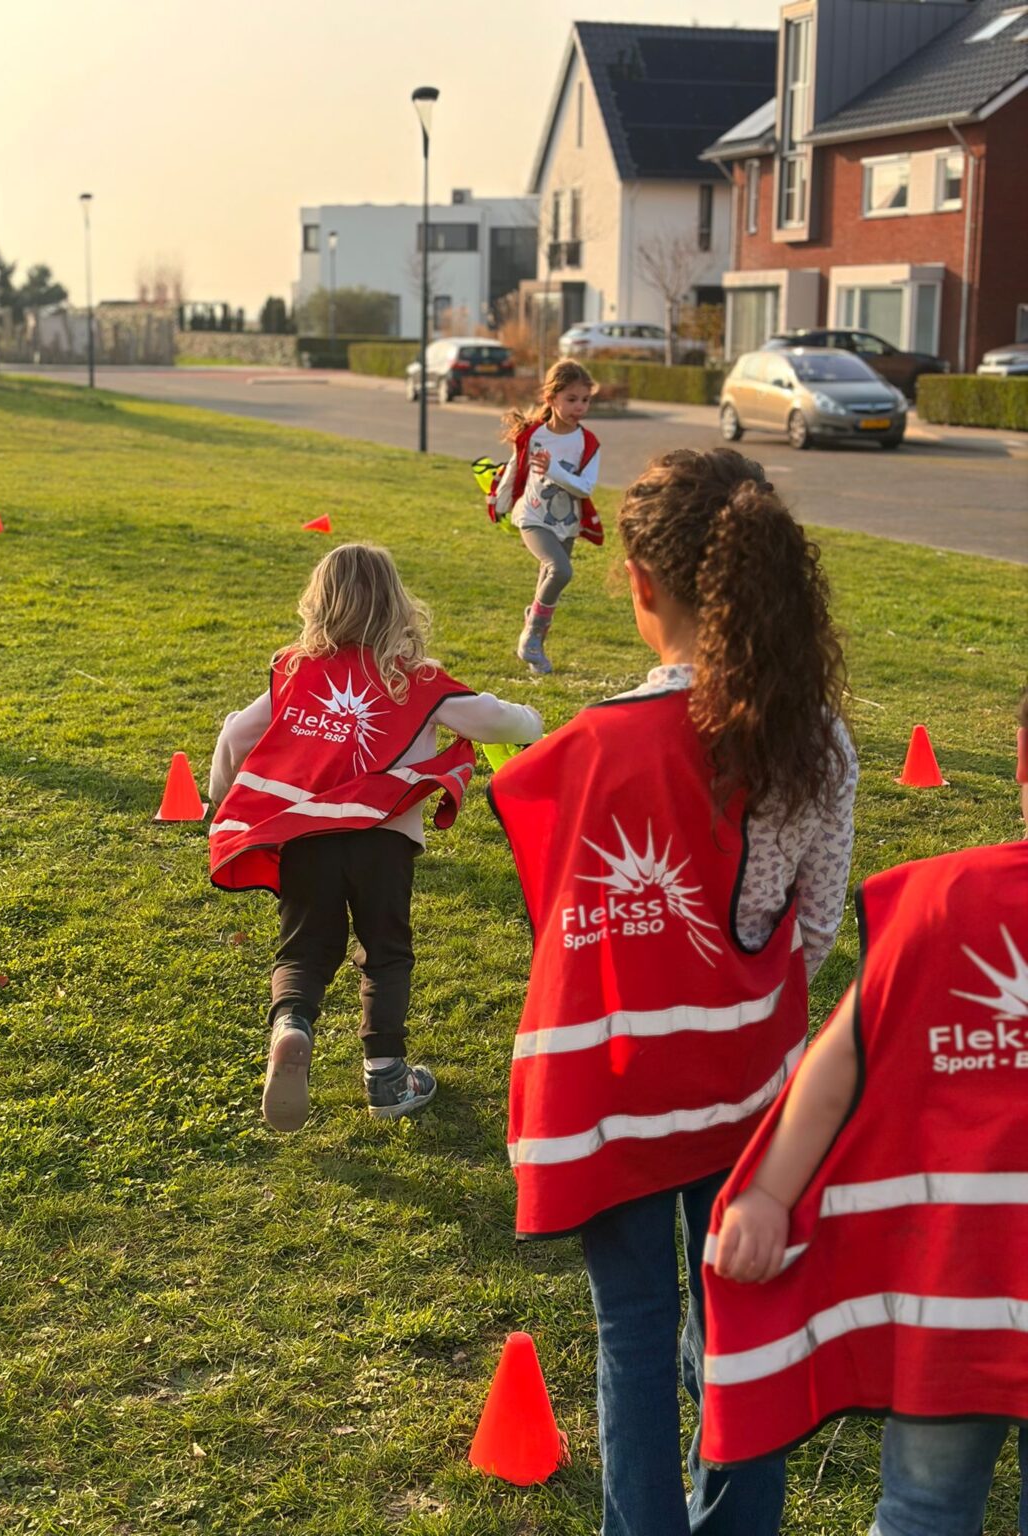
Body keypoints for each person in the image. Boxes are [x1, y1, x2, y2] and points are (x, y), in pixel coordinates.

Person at [488, 448, 857, 1535]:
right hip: (752, 1091)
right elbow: (818, 925)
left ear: (642, 587)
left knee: (634, 1334)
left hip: (615, 1090)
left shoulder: (595, 746)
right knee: (743, 1325)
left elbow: (561, 923)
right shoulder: (816, 739)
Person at [702, 693, 1028, 1536]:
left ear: (1022, 760)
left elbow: (838, 1056)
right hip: (957, 1288)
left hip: (950, 1293)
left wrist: (769, 1194)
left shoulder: (939, 903)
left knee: (924, 1508)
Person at [207, 542, 543, 1132]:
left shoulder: (296, 670)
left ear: (319, 603)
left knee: (306, 948)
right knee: (385, 950)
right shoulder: (415, 679)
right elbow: (497, 719)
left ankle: (291, 1026)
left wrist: (222, 798)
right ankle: (386, 1075)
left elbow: (237, 734)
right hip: (384, 841)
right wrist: (531, 720)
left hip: (306, 836)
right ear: (396, 605)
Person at [491, 358, 603, 676]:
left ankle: (533, 641)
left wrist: (553, 470)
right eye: (571, 399)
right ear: (550, 398)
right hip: (532, 516)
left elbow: (586, 487)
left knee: (548, 579)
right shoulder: (533, 435)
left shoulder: (588, 443)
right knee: (561, 570)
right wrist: (500, 503)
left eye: (585, 400)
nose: (579, 407)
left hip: (567, 524)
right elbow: (516, 467)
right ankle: (530, 640)